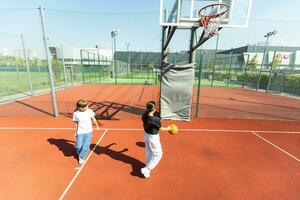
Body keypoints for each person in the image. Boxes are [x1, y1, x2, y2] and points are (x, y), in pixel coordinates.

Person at [140, 101, 170, 178]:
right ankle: (147, 168)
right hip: (153, 138)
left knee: (149, 151)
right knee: (158, 154)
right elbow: (161, 128)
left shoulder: (144, 115)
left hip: (146, 135)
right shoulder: (155, 119)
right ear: (153, 109)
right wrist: (169, 128)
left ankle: (147, 169)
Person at [73, 100, 100, 165]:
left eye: (86, 105)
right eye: (84, 106)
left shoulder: (89, 111)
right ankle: (78, 150)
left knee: (85, 146)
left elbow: (93, 118)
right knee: (79, 146)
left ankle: (81, 158)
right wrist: (75, 131)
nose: (86, 107)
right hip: (80, 132)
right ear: (79, 107)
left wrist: (97, 125)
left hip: (88, 131)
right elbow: (76, 123)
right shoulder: (76, 113)